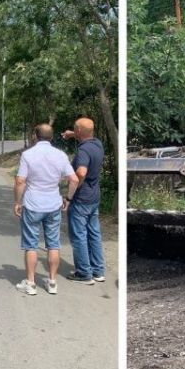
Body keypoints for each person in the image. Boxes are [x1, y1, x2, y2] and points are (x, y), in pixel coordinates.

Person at [14, 123, 79, 296]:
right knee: (53, 244)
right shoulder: (60, 155)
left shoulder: (28, 155)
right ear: (51, 137)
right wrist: (68, 199)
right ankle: (52, 282)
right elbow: (74, 180)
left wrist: (17, 202)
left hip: (33, 204)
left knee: (31, 245)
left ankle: (31, 283)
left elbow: (20, 181)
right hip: (53, 205)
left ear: (35, 136)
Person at [62, 117, 106, 285]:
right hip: (94, 198)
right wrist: (72, 134)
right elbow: (84, 132)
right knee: (94, 233)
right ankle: (97, 271)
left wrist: (69, 196)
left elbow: (80, 173)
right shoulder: (97, 144)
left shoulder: (83, 151)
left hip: (81, 199)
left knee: (79, 235)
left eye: (75, 128)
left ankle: (84, 273)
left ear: (79, 131)